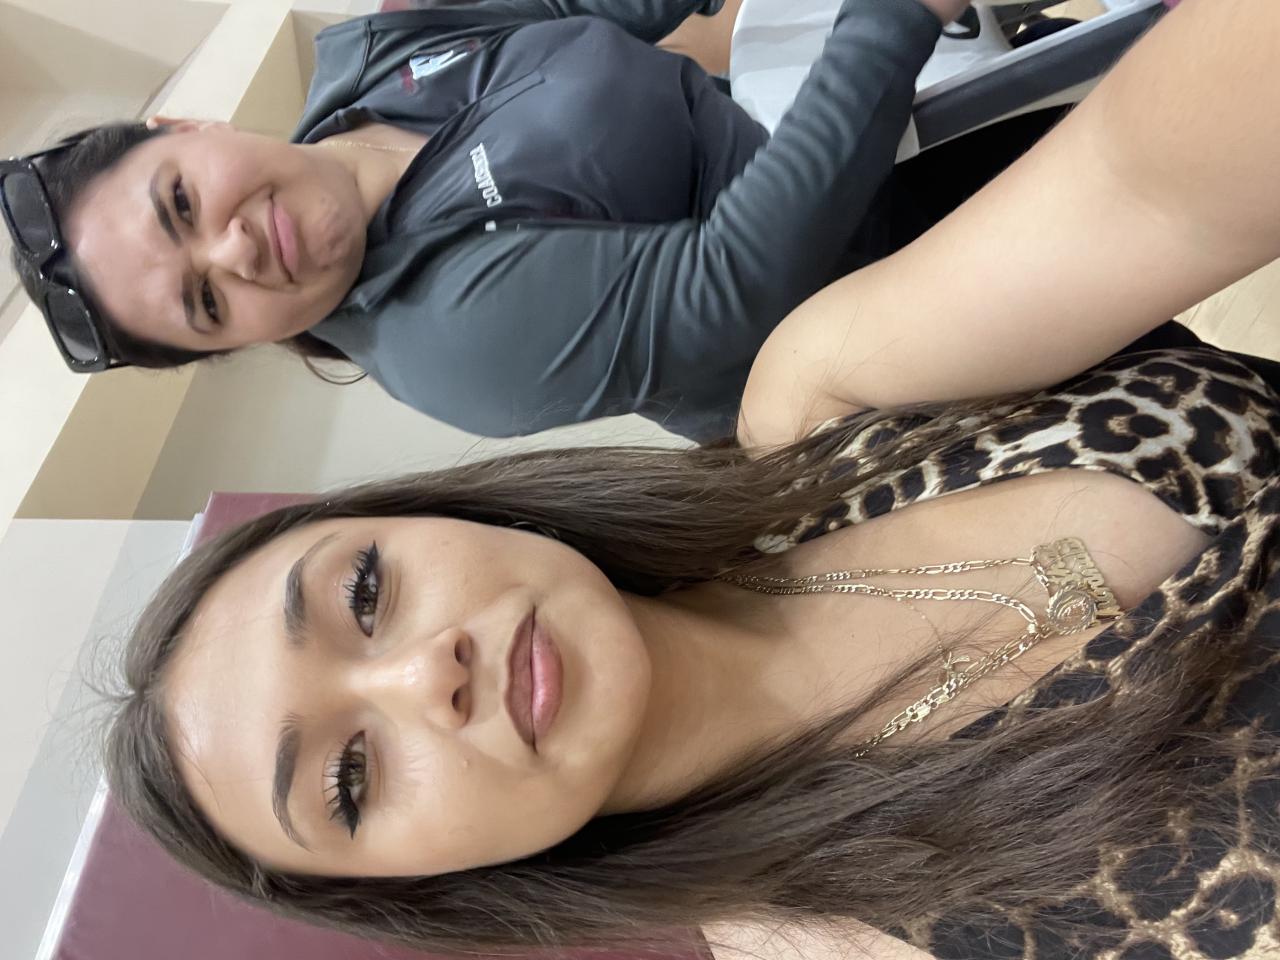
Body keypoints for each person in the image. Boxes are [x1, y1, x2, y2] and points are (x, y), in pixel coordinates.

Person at [102, 0, 1280, 957]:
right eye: (352, 779)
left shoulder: (817, 414)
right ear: (426, 889)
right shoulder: (839, 940)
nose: (427, 673)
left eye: (364, 594)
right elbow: (724, 278)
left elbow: (1148, 189)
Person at [5, 0, 1082, 443]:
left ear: (187, 126)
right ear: (232, 342)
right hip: (911, 297)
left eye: (180, 202)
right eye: (205, 301)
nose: (233, 249)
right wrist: (894, 15)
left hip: (871, 123)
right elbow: (735, 279)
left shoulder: (369, 57)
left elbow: (583, 9)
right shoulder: (448, 344)